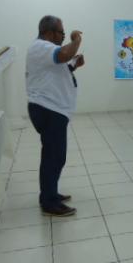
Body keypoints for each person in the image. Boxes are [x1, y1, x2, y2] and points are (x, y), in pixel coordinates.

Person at [26, 15, 84, 217]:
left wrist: (74, 65)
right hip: (48, 109)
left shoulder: (44, 50)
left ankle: (51, 193)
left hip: (52, 109)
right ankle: (49, 202)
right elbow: (65, 53)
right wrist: (76, 39)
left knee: (55, 156)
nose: (64, 36)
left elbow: (59, 68)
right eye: (62, 33)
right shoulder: (41, 47)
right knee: (53, 157)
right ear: (49, 32)